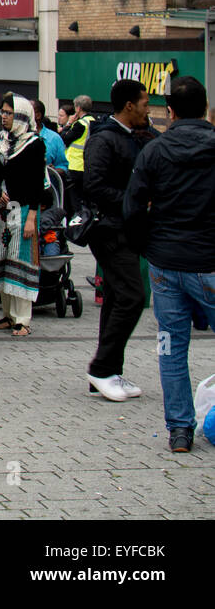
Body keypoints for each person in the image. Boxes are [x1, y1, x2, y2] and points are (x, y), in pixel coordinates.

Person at [124, 77, 215, 452]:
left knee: (171, 347)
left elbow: (132, 208)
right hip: (210, 261)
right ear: (207, 109)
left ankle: (179, 430)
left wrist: (148, 248)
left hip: (166, 265)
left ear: (172, 112)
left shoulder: (154, 152)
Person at [82, 78, 152, 403]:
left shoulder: (140, 136)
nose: (147, 110)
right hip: (108, 231)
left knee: (115, 297)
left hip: (129, 230)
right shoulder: (104, 139)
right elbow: (94, 186)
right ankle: (100, 368)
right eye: (145, 104)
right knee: (133, 296)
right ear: (129, 106)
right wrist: (134, 201)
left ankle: (109, 373)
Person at [0, 93, 46, 337]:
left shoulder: (34, 143)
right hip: (2, 210)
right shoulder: (0, 140)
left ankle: (23, 319)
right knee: (2, 259)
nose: (4, 117)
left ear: (21, 115)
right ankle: (8, 315)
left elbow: (37, 183)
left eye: (9, 113)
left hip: (22, 211)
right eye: (3, 112)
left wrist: (32, 216)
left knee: (20, 259)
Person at [60, 94, 95, 216]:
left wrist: (68, 124)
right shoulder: (93, 121)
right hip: (87, 166)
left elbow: (64, 138)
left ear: (78, 108)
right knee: (84, 200)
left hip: (74, 166)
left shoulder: (80, 124)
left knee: (72, 202)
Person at [33, 99, 68, 173]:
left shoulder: (54, 138)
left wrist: (53, 171)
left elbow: (63, 166)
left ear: (38, 115)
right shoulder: (16, 135)